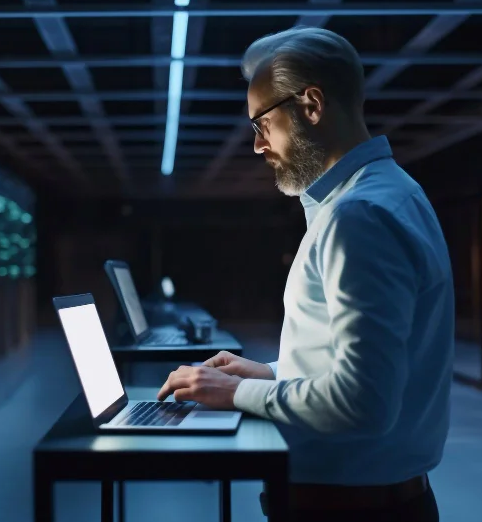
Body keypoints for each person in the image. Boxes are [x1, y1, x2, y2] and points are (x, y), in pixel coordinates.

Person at [157, 26, 454, 522]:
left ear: (311, 105)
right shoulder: (394, 192)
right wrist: (271, 373)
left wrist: (236, 393)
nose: (257, 146)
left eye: (261, 123)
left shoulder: (358, 216)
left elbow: (365, 402)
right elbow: (357, 367)